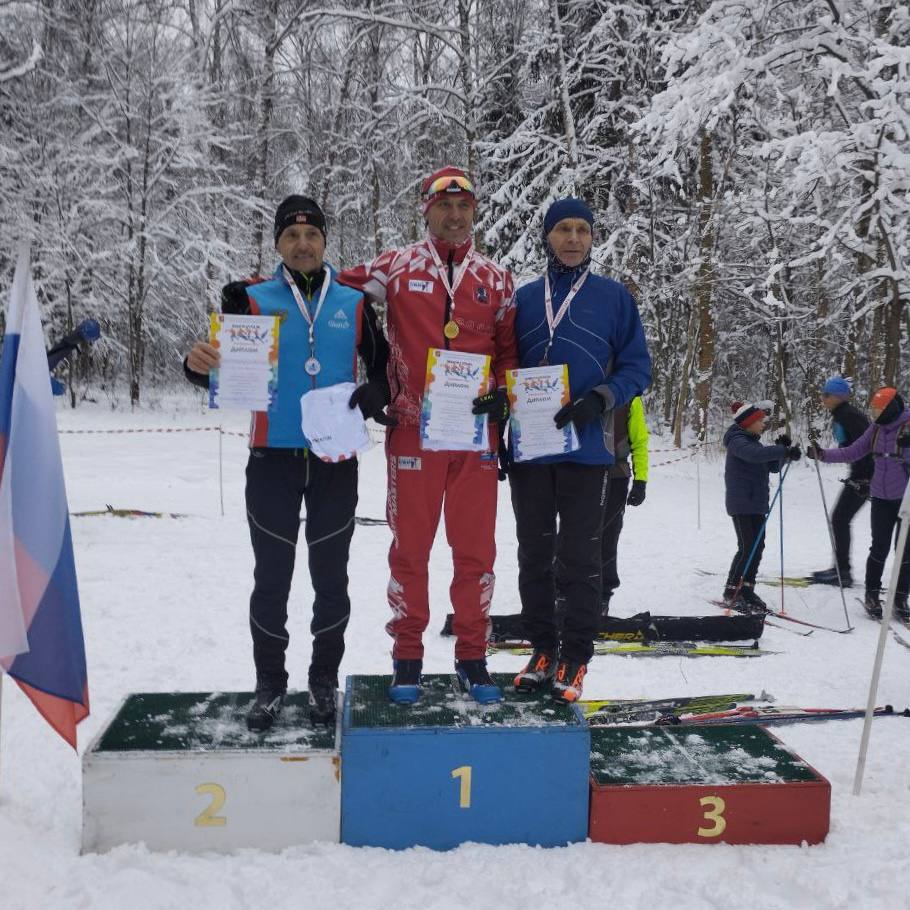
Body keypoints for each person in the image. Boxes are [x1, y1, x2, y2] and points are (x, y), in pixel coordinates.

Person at [183, 195, 391, 732]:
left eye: (312, 235)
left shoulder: (354, 301)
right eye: (292, 236)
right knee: (271, 578)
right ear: (278, 243)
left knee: (331, 578)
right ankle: (270, 683)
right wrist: (196, 365)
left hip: (334, 459)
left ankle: (323, 678)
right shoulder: (250, 298)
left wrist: (377, 392)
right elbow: (218, 368)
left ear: (324, 241)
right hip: (271, 458)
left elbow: (387, 370)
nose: (303, 244)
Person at [339, 166, 517, 705]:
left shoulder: (497, 278)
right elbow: (329, 291)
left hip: (475, 439)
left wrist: (503, 394)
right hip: (413, 432)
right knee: (410, 551)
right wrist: (374, 370)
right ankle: (407, 657)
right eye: (444, 206)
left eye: (464, 206)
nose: (455, 215)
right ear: (427, 210)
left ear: (474, 211)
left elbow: (509, 352)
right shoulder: (396, 266)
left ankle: (472, 657)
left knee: (476, 553)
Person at [509, 197, 651, 704]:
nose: (573, 238)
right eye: (563, 229)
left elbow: (638, 368)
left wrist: (601, 398)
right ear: (547, 237)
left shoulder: (614, 298)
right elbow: (503, 365)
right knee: (533, 556)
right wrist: (501, 426)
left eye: (582, 230)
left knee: (580, 559)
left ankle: (575, 656)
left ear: (592, 238)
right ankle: (542, 649)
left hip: (589, 452)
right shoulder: (524, 298)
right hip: (531, 452)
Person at [807, 387, 910, 620]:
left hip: (906, 500)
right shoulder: (876, 428)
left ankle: (901, 597)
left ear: (890, 408)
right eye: (874, 410)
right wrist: (822, 454)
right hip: (881, 498)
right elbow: (852, 451)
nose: (874, 414)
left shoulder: (907, 425)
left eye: (878, 410)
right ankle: (871, 594)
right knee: (879, 547)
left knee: (905, 549)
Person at [722, 401, 801, 613]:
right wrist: (781, 450)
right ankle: (731, 590)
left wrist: (784, 455)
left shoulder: (754, 443)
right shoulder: (737, 440)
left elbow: (772, 467)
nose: (763, 424)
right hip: (741, 503)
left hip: (756, 503)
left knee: (758, 546)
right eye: (759, 421)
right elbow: (754, 456)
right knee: (747, 546)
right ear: (748, 423)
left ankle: (747, 588)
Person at [807, 376, 872, 587]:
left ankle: (842, 572)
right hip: (860, 474)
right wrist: (822, 454)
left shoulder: (849, 416)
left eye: (827, 394)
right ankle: (841, 569)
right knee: (840, 519)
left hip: (864, 476)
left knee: (840, 519)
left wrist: (865, 479)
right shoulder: (843, 415)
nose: (823, 398)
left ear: (839, 396)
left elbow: (865, 448)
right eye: (822, 394)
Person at [600, 395, 649, 617]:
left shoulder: (631, 399)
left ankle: (603, 594)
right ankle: (563, 592)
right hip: (580, 475)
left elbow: (639, 441)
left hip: (616, 476)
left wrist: (641, 481)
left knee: (608, 537)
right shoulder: (583, 384)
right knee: (573, 536)